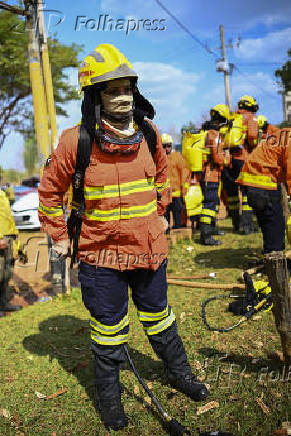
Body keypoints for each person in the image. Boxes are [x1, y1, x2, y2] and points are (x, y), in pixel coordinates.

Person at [38, 44, 208, 431]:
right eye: (112, 89)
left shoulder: (148, 133)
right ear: (94, 96)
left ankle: (179, 374)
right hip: (101, 259)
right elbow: (48, 193)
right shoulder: (74, 142)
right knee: (110, 332)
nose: (123, 96)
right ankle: (110, 398)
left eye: (127, 87)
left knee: (160, 319)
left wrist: (160, 215)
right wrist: (59, 237)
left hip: (149, 252)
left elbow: (163, 178)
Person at [237, 128, 291, 254]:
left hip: (254, 180)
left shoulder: (285, 134)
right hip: (262, 181)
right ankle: (275, 260)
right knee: (275, 223)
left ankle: (272, 255)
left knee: (270, 223)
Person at [222, 95, 259, 234]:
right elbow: (253, 136)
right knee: (246, 192)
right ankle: (247, 227)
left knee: (231, 194)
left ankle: (236, 224)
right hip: (243, 157)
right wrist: (253, 147)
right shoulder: (251, 117)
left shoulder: (231, 118)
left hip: (229, 159)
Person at [199, 104, 230, 245]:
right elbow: (218, 158)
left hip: (211, 175)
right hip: (210, 175)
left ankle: (212, 229)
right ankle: (206, 236)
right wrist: (227, 158)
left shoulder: (207, 133)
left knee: (214, 203)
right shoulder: (214, 135)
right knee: (209, 205)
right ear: (222, 120)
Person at [0, 187, 22, 317]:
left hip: (8, 237)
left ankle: (3, 304)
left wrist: (15, 237)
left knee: (6, 274)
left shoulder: (3, 193)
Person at [161, 133, 190, 230]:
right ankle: (167, 233)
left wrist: (184, 186)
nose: (166, 148)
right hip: (164, 194)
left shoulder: (177, 156)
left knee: (177, 213)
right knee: (165, 214)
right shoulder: (158, 159)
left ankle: (178, 232)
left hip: (176, 192)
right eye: (164, 146)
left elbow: (184, 171)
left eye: (168, 145)